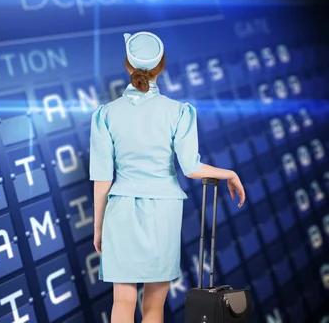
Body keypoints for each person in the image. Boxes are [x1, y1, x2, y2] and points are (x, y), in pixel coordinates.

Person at [89, 32, 246, 323]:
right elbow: (191, 167)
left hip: (120, 210)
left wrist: (98, 227)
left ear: (127, 66)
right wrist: (229, 173)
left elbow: (101, 178)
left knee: (122, 302)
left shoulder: (106, 114)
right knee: (154, 307)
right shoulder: (178, 112)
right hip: (163, 212)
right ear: (161, 66)